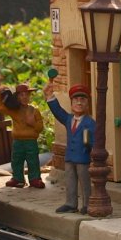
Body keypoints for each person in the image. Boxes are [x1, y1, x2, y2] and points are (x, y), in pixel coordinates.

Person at [44, 82, 95, 213]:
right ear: (71, 103)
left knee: (84, 182)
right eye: (76, 100)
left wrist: (93, 152)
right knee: (70, 181)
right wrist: (50, 96)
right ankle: (71, 203)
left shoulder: (90, 122)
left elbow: (94, 140)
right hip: (70, 157)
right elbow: (58, 112)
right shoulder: (68, 119)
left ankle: (87, 204)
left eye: (82, 100)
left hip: (82, 157)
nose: (79, 103)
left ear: (87, 104)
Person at [0, 83, 45, 188]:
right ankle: (18, 178)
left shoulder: (34, 111)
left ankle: (35, 178)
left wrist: (33, 123)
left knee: (33, 161)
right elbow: (0, 107)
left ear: (29, 96)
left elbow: (40, 127)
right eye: (21, 95)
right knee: (16, 160)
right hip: (18, 141)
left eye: (26, 95)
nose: (24, 97)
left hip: (31, 141)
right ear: (17, 97)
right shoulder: (14, 110)